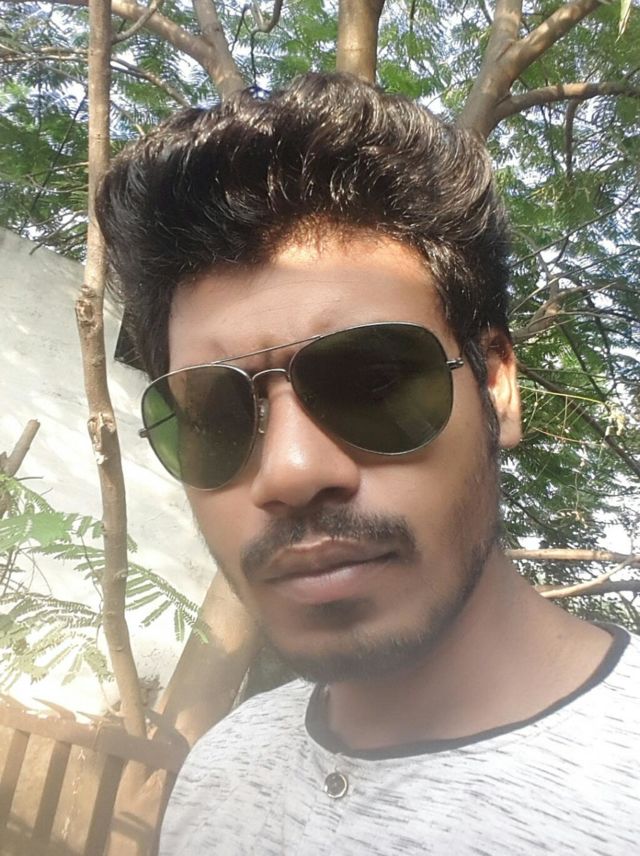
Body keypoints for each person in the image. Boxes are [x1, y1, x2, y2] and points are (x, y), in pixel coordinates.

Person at [96, 73, 639, 855]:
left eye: (374, 382)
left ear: (496, 386)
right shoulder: (219, 775)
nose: (290, 471)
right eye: (214, 415)